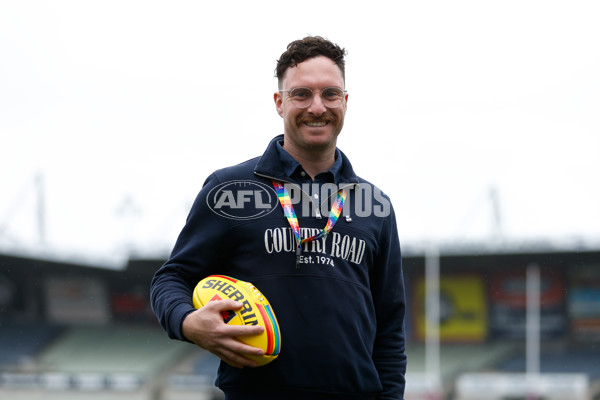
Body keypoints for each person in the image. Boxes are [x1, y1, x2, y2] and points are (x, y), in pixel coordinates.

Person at [150, 36, 407, 400]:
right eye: (301, 94)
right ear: (279, 102)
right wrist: (188, 322)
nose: (317, 107)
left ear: (345, 102)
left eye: (330, 94)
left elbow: (390, 326)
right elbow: (171, 279)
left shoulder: (374, 203)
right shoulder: (229, 189)